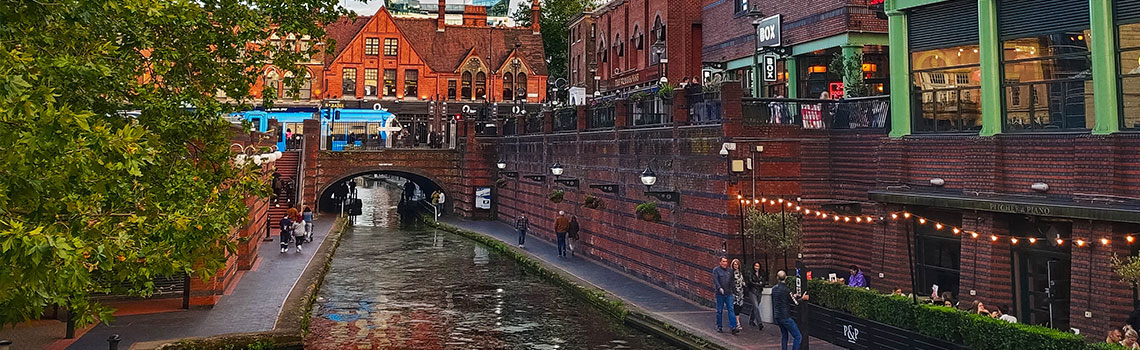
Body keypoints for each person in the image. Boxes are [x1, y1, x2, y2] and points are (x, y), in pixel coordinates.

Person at [773, 270, 808, 350]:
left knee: (784, 335)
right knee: (798, 336)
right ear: (786, 278)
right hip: (785, 316)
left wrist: (792, 295)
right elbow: (795, 302)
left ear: (777, 278)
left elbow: (782, 299)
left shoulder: (774, 289)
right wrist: (802, 298)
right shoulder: (786, 290)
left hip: (777, 315)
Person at [712, 257, 739, 334]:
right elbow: (716, 280)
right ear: (720, 262)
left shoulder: (730, 271)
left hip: (728, 293)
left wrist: (734, 291)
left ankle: (733, 327)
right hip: (720, 294)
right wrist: (719, 288)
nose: (725, 263)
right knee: (719, 310)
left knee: (731, 309)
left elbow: (732, 281)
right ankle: (719, 326)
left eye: (726, 261)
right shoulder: (716, 270)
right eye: (723, 261)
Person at [745, 262, 765, 330]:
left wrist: (760, 284)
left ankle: (751, 320)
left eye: (758, 266)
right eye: (756, 266)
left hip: (759, 291)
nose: (757, 267)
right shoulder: (751, 273)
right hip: (752, 291)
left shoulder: (761, 274)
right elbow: (750, 282)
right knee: (756, 306)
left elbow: (763, 282)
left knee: (755, 306)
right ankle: (760, 323)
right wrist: (758, 284)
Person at [731, 259, 746, 333]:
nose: (736, 266)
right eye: (734, 264)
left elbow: (742, 282)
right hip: (735, 293)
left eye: (737, 264)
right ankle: (737, 323)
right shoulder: (731, 273)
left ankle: (737, 321)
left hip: (740, 293)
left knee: (740, 307)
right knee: (735, 307)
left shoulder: (740, 273)